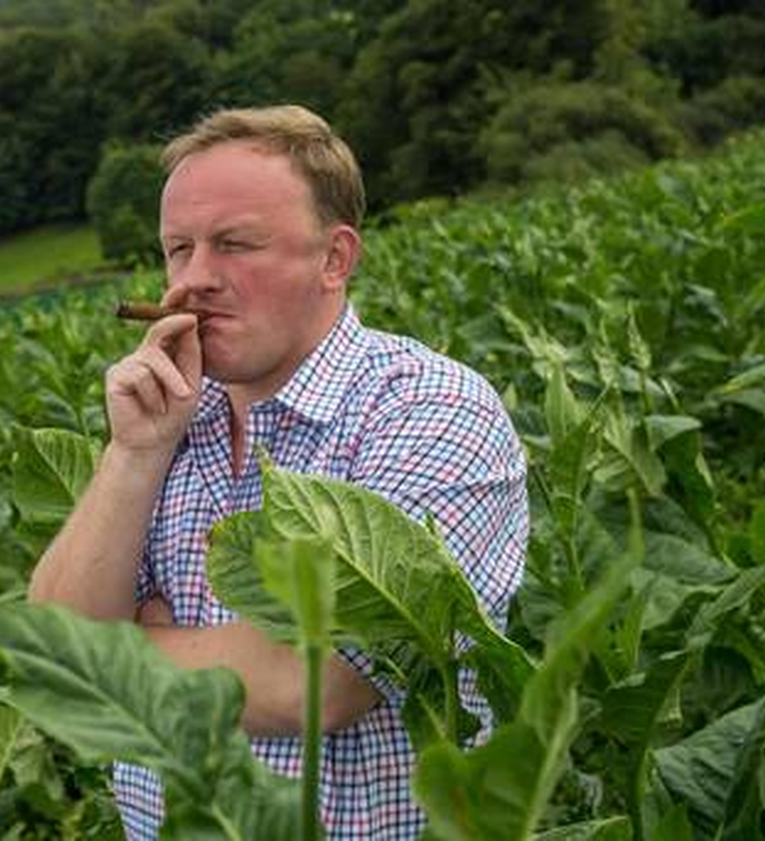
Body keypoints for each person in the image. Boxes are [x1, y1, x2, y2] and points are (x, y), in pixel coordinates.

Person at [28, 104, 527, 838]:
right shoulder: (168, 421)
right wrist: (133, 452)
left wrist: (121, 646)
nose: (194, 278)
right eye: (178, 248)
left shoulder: (430, 409)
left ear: (335, 258)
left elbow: (312, 682)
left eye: (234, 245)